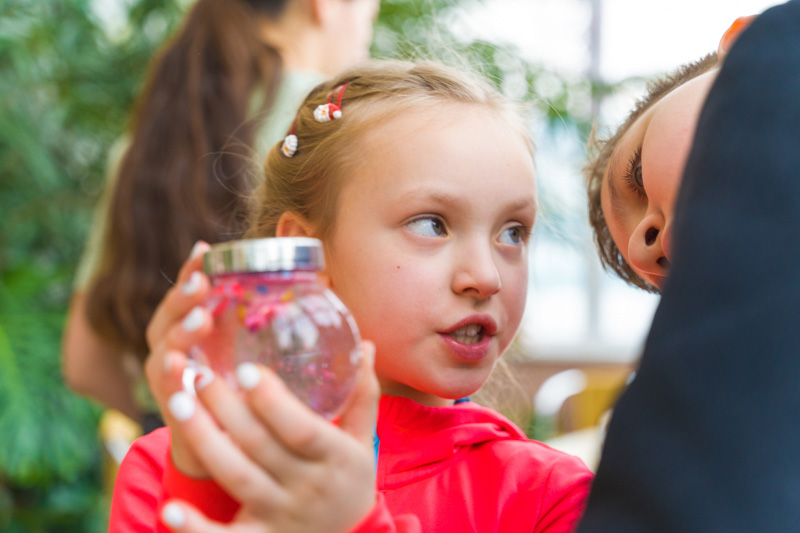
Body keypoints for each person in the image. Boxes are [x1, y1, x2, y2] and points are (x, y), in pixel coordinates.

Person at [109, 59, 594, 532]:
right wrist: (204, 490)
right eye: (431, 224)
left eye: (513, 233)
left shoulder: (554, 499)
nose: (486, 276)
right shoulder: (170, 470)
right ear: (305, 255)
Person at [60, 0, 378, 431]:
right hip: (315, 464)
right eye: (369, 16)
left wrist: (185, 428)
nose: (366, 35)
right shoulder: (345, 128)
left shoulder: (145, 148)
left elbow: (85, 363)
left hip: (173, 469)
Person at [577, 2, 800, 529]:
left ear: (738, 42)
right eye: (672, 281)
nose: (642, 248)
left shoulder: (774, 53)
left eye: (634, 175)